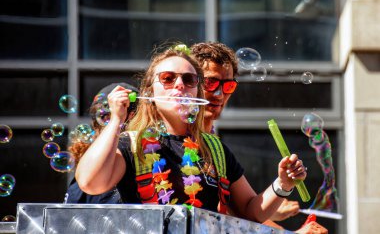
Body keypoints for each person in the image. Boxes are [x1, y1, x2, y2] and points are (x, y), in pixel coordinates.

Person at [75, 44, 307, 224]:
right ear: (149, 91)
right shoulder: (131, 144)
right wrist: (116, 120)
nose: (179, 85)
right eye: (167, 78)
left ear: (197, 90)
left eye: (189, 79)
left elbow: (250, 211)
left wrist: (282, 184)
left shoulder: (214, 149)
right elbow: (90, 183)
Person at [191, 42, 328, 233]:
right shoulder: (162, 141)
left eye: (228, 85)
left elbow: (248, 212)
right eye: (210, 82)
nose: (219, 94)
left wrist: (283, 184)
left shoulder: (218, 150)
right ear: (191, 83)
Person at [65, 82, 139, 203]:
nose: (120, 121)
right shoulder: (90, 174)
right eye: (107, 116)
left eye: (131, 116)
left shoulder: (152, 164)